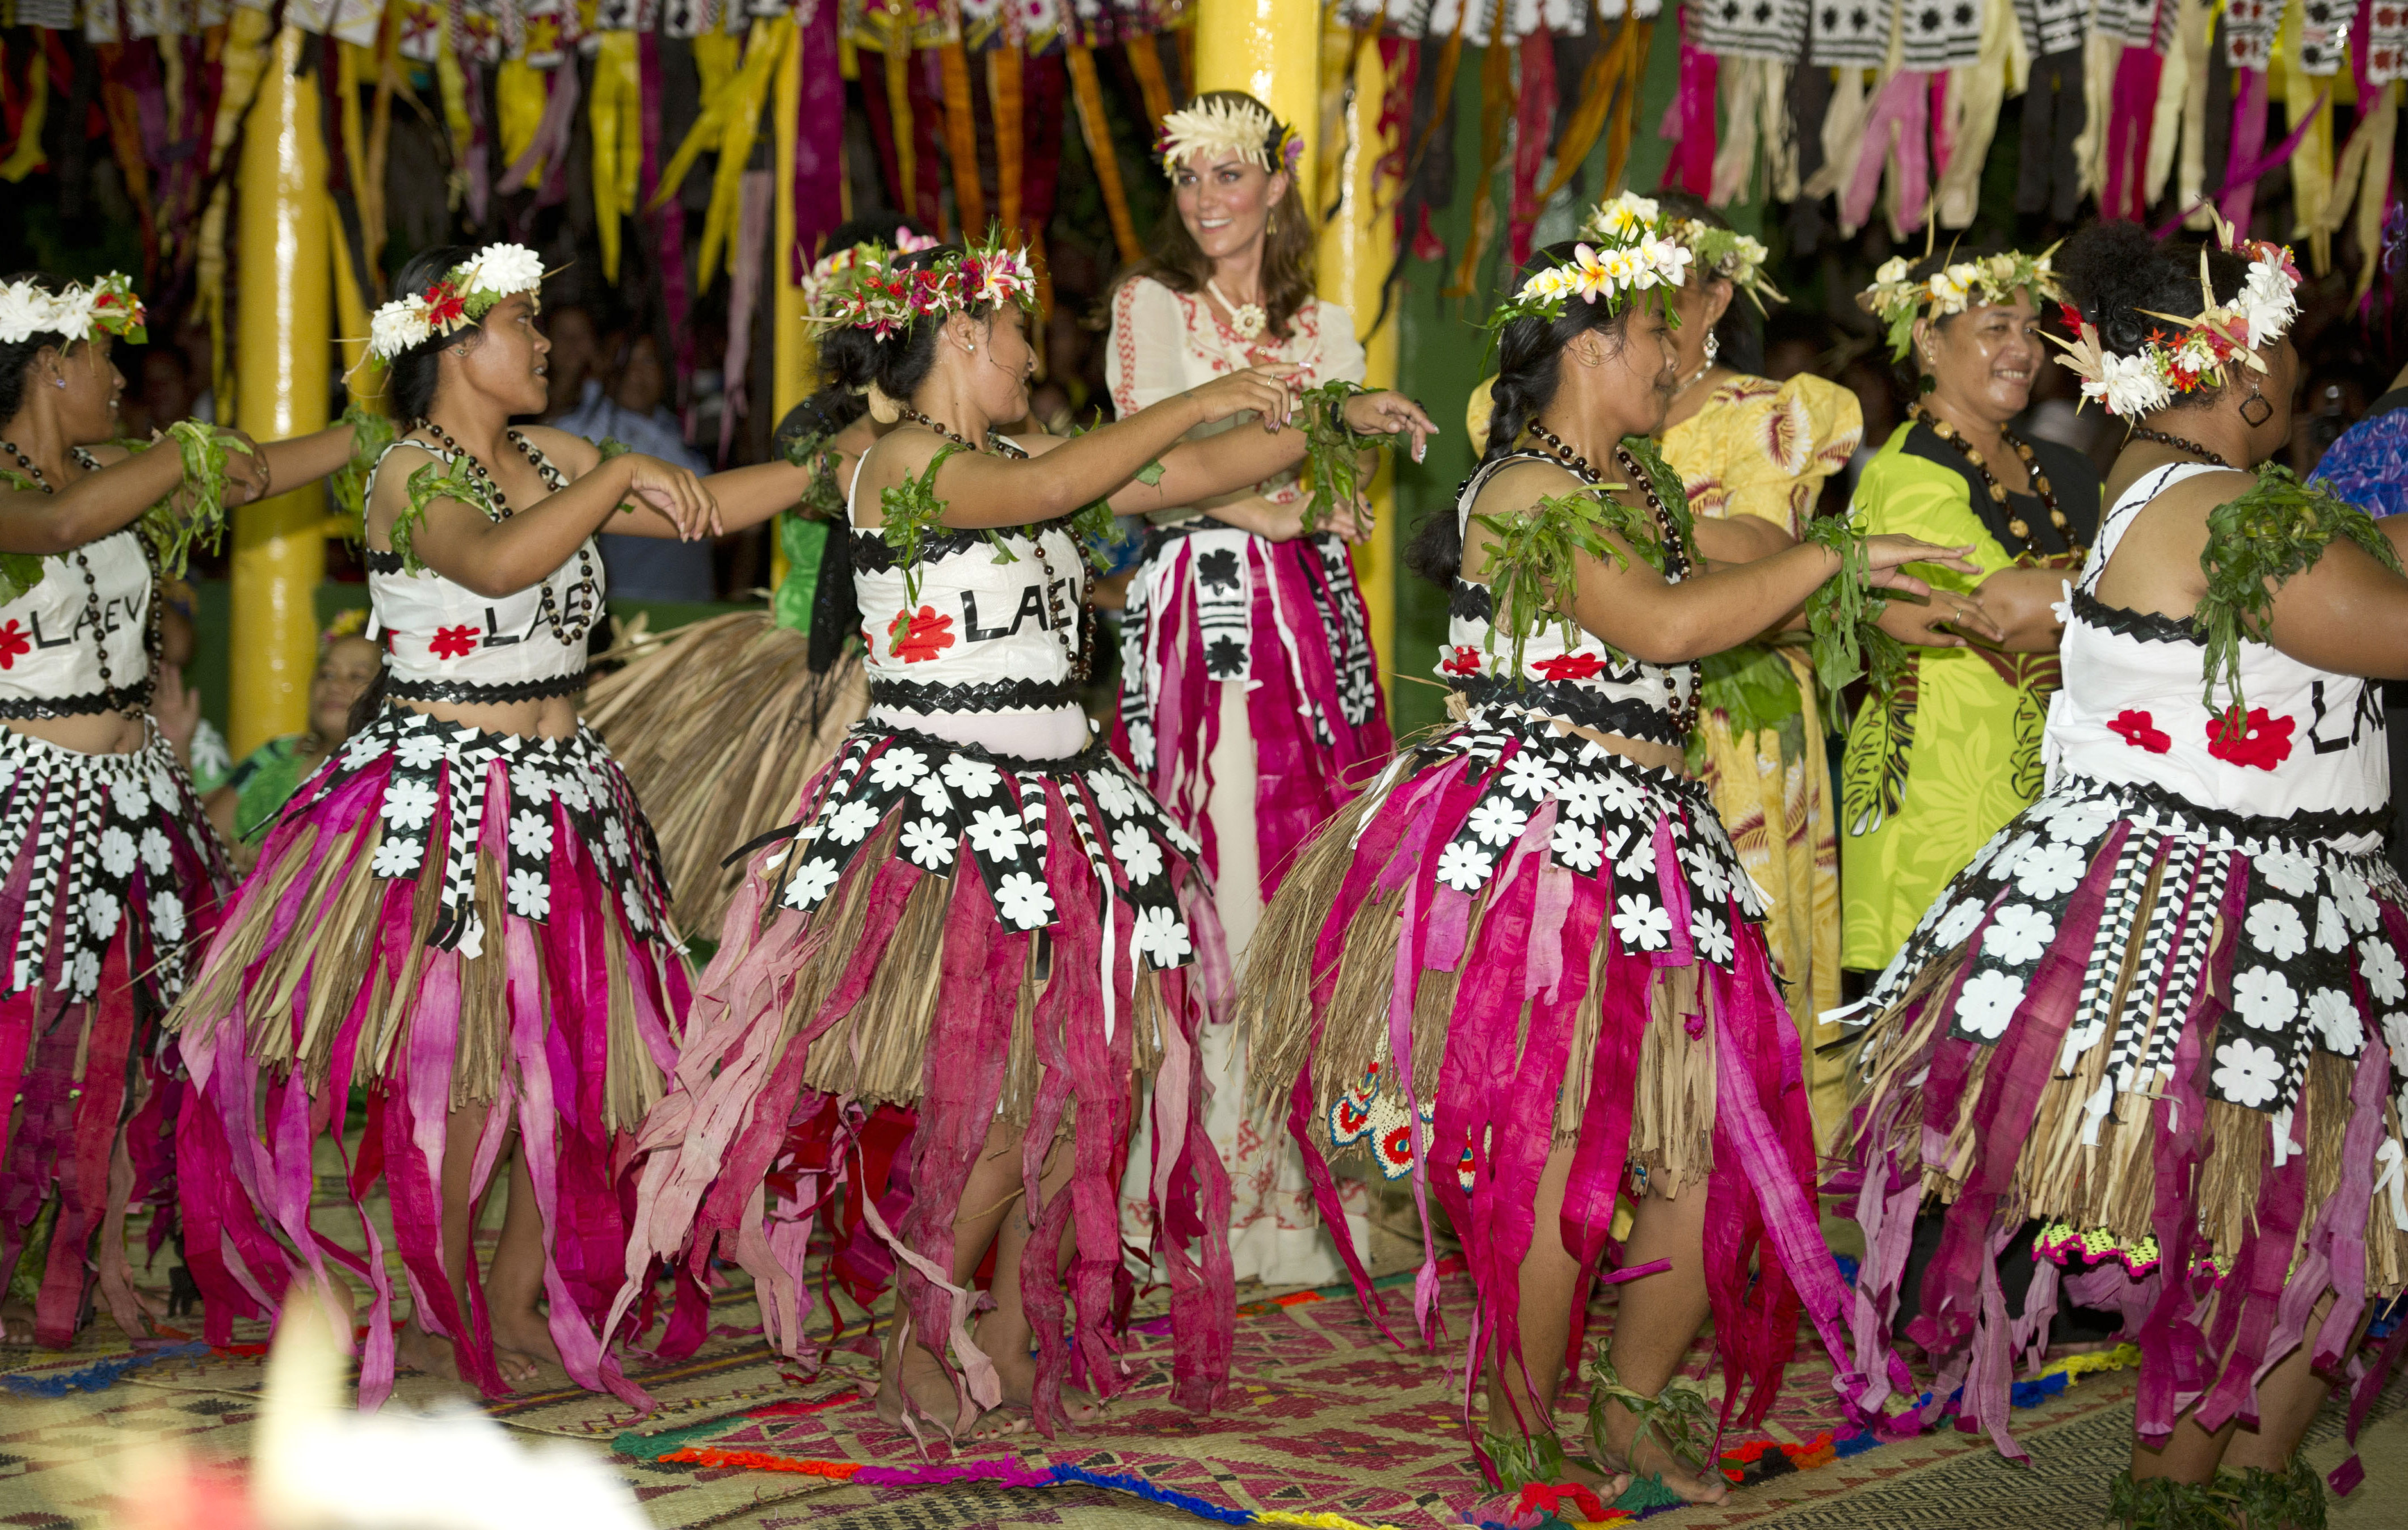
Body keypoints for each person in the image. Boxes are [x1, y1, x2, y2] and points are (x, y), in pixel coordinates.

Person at [607, 235, 1435, 1440]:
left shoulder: (1016, 450)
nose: (1029, 356)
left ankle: (1005, 1328)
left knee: (1084, 1091)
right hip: (949, 812)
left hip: (1062, 799)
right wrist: (1205, 394)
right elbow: (1064, 491)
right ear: (958, 333)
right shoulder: (896, 462)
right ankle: (917, 1321)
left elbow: (1183, 474)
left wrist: (1328, 414)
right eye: (1015, 333)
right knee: (998, 1105)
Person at [1240, 235, 1957, 1502]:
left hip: (1661, 837)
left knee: (1704, 1154)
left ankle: (1627, 1406)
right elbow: (1663, 625)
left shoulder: (1648, 488)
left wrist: (1907, 594)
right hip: (1540, 845)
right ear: (1589, 347)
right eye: (1662, 335)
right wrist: (1832, 565)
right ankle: (1519, 1422)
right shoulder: (1519, 491)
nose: (1689, 355)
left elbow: (1737, 587)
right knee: (1561, 1150)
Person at [169, 242, 812, 1405]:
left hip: (566, 785)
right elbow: (497, 564)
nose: (545, 341)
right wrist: (613, 479)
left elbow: (704, 508)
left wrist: (838, 473)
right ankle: (440, 1297)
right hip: (450, 793)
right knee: (462, 1067)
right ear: (459, 345)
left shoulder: (550, 455)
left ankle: (516, 1294)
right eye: (524, 323)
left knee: (580, 1068)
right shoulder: (408, 473)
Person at [1838, 217, 2408, 1527]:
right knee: (2258, 1233)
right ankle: (2178, 1497)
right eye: (2275, 340)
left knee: (2307, 1219)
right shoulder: (2219, 512)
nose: (2293, 364)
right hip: (2225, 921)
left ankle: (2250, 1481)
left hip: (2280, 901)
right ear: (2231, 368)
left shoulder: (2180, 492)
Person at [0, 270, 361, 1347]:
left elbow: (245, 474)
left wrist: (372, 435)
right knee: (27, 1046)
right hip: (32, 792)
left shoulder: (123, 465)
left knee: (151, 1030)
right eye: (104, 359)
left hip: (137, 789)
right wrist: (182, 453)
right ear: (51, 364)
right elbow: (63, 519)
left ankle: (99, 1252)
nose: (119, 378)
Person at [1104, 90, 1401, 1288]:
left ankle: (1303, 1201)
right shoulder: (1149, 306)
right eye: (1190, 178)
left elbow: (1328, 482)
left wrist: (1281, 487)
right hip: (1204, 619)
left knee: (1307, 882)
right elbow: (1147, 464)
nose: (1209, 199)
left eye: (1232, 175)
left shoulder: (1328, 325)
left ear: (1276, 187)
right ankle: (1200, 1198)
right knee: (1213, 872)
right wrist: (1268, 499)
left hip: (1313, 623)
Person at [583, 219, 939, 938]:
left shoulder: (949, 424)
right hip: (820, 669)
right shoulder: (815, 429)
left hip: (930, 669)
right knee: (796, 893)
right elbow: (841, 488)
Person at [1626, 191, 1863, 1140]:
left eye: (1664, 286)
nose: (1640, 305)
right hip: (1626, 701)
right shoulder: (1585, 400)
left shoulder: (1763, 414)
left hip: (1733, 710)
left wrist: (1637, 513)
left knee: (1742, 946)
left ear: (1715, 296)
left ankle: (1746, 1183)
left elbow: (1769, 542)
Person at [1839, 246, 2105, 985]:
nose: (2022, 349)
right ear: (1928, 339)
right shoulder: (1907, 474)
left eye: (2029, 327)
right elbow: (2003, 616)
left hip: (2053, 781)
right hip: (1940, 794)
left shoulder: (2070, 468)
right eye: (1996, 328)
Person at [203, 615, 382, 866]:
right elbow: (217, 850)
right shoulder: (279, 765)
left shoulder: (391, 776)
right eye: (327, 674)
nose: (335, 686)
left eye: (356, 676)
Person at [554, 329, 717, 601]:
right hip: (626, 603)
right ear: (605, 367)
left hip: (689, 600)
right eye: (625, 362)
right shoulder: (578, 434)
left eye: (648, 361)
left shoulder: (674, 430)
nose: (636, 373)